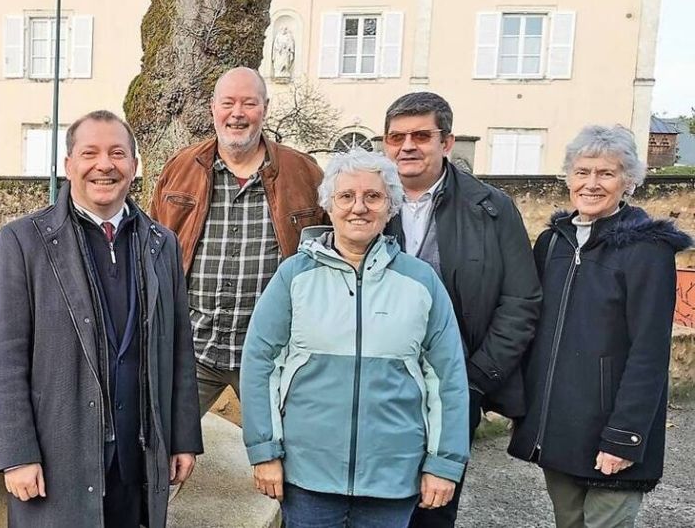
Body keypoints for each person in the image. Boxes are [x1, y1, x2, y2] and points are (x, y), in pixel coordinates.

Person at [0, 110, 203, 527]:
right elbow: (2, 359)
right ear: (68, 165)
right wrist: (16, 454)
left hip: (136, 461)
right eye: (90, 153)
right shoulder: (23, 241)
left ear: (134, 167)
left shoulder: (162, 244)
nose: (105, 164)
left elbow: (178, 347)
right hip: (55, 461)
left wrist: (183, 439)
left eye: (117, 153)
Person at [241, 148, 470, 528]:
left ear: (390, 206)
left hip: (393, 477)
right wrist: (264, 452)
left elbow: (447, 382)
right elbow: (260, 366)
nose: (358, 207)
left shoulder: (421, 282)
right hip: (307, 475)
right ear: (329, 205)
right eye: (346, 196)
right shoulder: (293, 277)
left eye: (373, 196)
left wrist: (444, 463)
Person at [509, 126, 690, 528]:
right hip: (559, 429)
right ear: (569, 177)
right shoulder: (552, 243)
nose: (591, 184)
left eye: (606, 173)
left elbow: (649, 351)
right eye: (582, 171)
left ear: (628, 182)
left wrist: (625, 435)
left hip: (613, 429)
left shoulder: (646, 250)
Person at [381, 92, 542, 528]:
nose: (407, 146)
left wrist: (476, 377)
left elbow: (521, 299)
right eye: (397, 137)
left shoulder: (490, 208)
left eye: (421, 135)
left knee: (435, 503)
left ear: (447, 142)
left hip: (456, 382)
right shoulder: (366, 202)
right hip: (378, 381)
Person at [150, 67, 326, 414]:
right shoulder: (180, 168)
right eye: (228, 103)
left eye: (249, 103)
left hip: (271, 353)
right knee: (160, 450)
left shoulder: (304, 172)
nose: (237, 113)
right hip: (193, 350)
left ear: (265, 108)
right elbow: (150, 248)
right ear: (213, 108)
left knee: (291, 452)